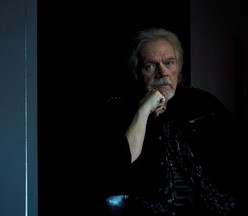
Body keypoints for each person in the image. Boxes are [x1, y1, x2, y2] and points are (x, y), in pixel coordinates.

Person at [94, 28, 246, 216]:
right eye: (150, 66)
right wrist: (142, 112)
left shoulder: (204, 103)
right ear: (137, 72)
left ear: (178, 67)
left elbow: (238, 163)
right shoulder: (117, 109)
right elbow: (115, 167)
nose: (163, 73)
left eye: (169, 63)